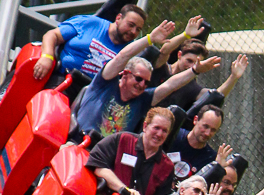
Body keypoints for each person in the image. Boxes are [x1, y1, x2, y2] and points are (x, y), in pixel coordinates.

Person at [75, 19, 221, 138]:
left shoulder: (143, 99)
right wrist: (149, 39)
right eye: (138, 79)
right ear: (125, 74)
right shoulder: (105, 82)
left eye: (147, 82)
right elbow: (122, 56)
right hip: (78, 142)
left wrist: (195, 70)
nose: (142, 85)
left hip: (103, 158)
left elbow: (169, 86)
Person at [86, 107, 177, 195]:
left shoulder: (167, 167)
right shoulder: (122, 140)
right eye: (156, 128)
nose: (159, 134)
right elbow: (98, 167)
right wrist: (124, 190)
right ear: (145, 126)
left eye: (164, 131)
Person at [33, 4, 147, 80]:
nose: (133, 31)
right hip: (63, 77)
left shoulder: (131, 52)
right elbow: (52, 35)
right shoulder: (91, 23)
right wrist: (47, 56)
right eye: (131, 25)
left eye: (138, 29)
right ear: (118, 18)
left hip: (91, 96)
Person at [167, 106, 225, 179]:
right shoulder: (174, 136)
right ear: (195, 120)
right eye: (205, 126)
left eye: (213, 130)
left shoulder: (210, 159)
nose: (207, 133)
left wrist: (218, 168)